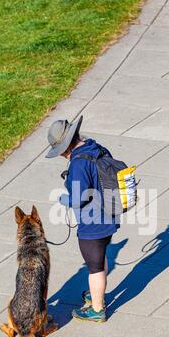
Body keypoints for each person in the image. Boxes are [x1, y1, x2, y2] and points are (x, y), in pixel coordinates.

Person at [46, 115, 119, 322]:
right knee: (100, 257)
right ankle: (97, 293)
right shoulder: (96, 148)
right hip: (109, 215)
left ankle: (97, 310)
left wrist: (64, 199)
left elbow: (78, 198)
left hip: (92, 223)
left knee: (94, 267)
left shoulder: (78, 163)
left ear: (65, 147)